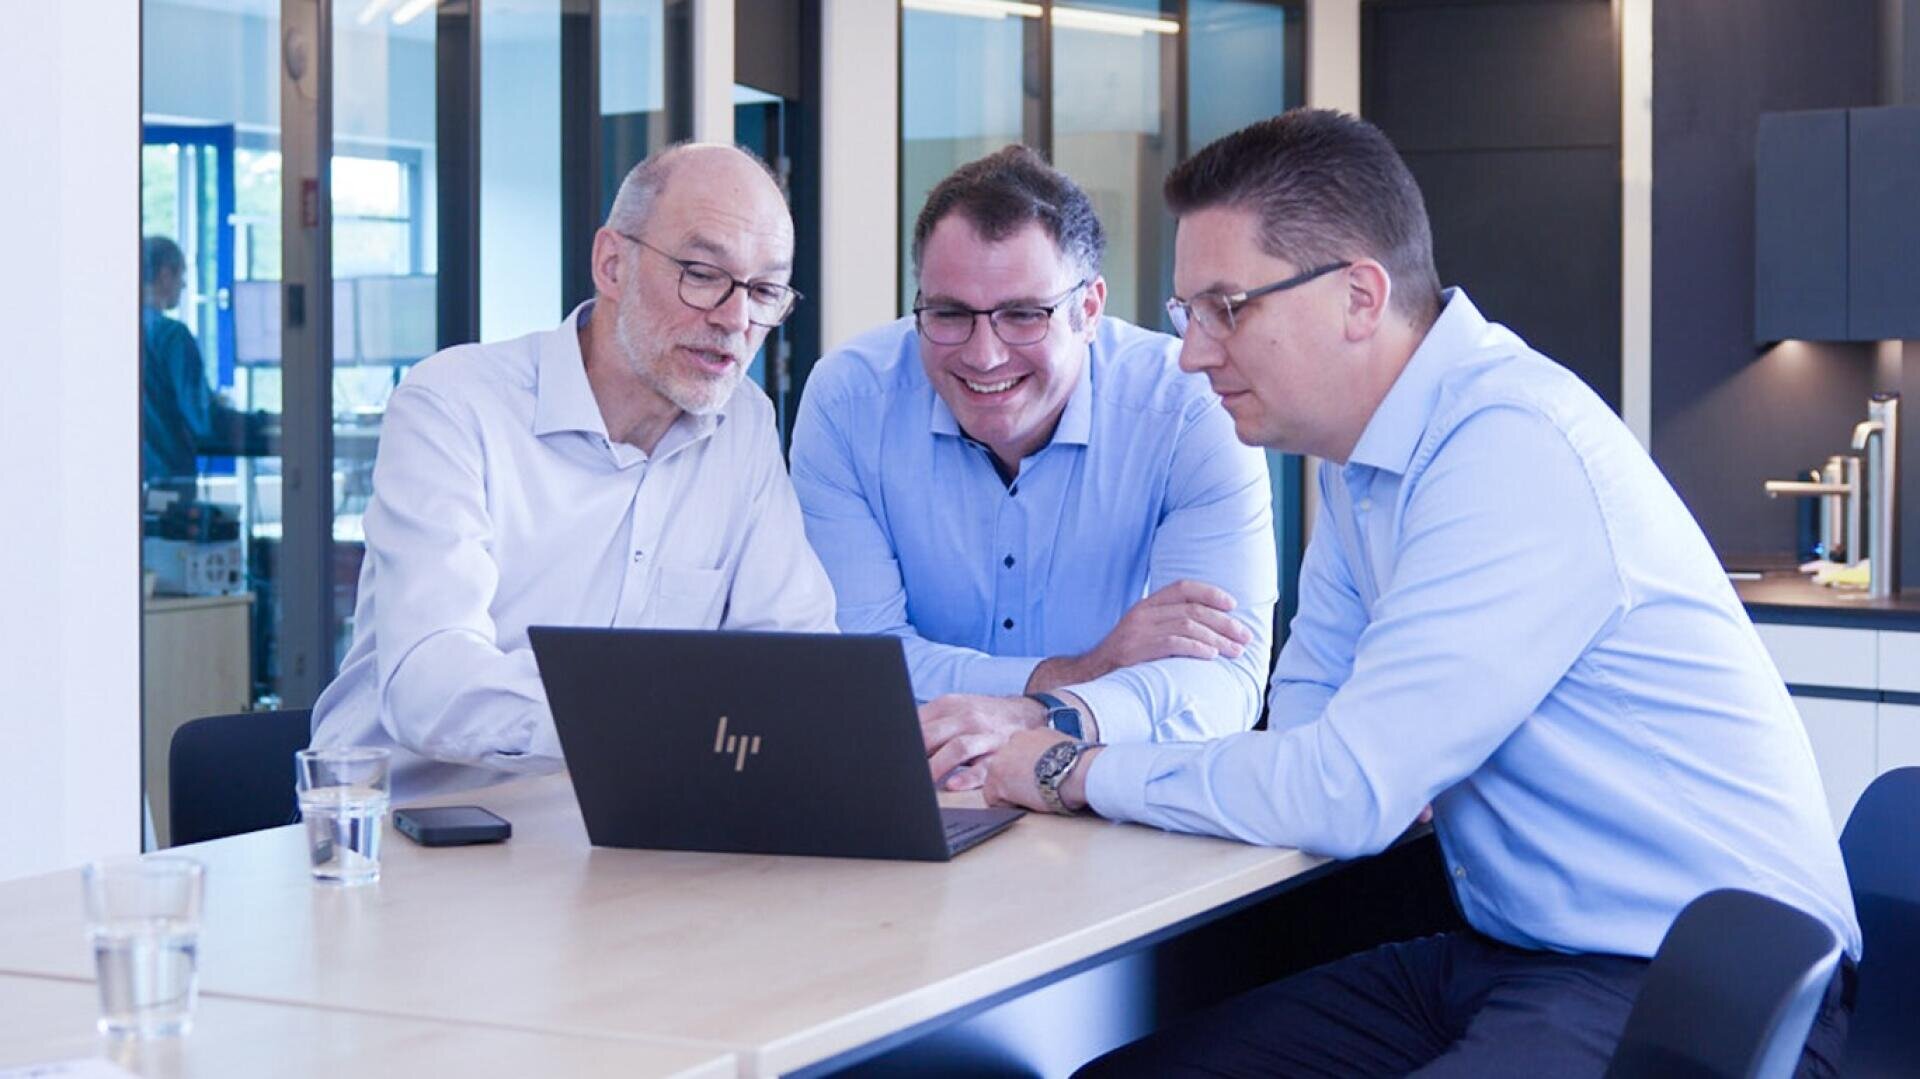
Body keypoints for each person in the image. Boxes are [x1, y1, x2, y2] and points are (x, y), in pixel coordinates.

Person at [983, 110, 1861, 1075]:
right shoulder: (1358, 462)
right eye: (1188, 310)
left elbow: (1345, 788)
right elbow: (1313, 731)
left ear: (1360, 295)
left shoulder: (1508, 446)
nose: (1191, 352)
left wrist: (1071, 766)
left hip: (1691, 987)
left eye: (1226, 308)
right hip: (1513, 952)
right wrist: (1350, 775)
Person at [310, 144, 836, 800]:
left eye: (763, 291)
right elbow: (430, 682)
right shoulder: (455, 403)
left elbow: (797, 661)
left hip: (615, 833)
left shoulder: (744, 425)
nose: (736, 319)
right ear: (613, 264)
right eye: (703, 273)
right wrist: (660, 721)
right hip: (405, 835)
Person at [790, 146, 1277, 790]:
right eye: (950, 314)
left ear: (1090, 309)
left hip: (1107, 804)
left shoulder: (1190, 408)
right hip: (913, 794)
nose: (984, 355)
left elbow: (1224, 683)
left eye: (1024, 315)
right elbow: (852, 663)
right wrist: (1082, 671)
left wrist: (1039, 718)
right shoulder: (849, 402)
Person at [141, 235, 248, 500]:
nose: (184, 285)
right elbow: (203, 421)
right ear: (166, 275)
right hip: (169, 483)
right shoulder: (172, 336)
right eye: (182, 276)